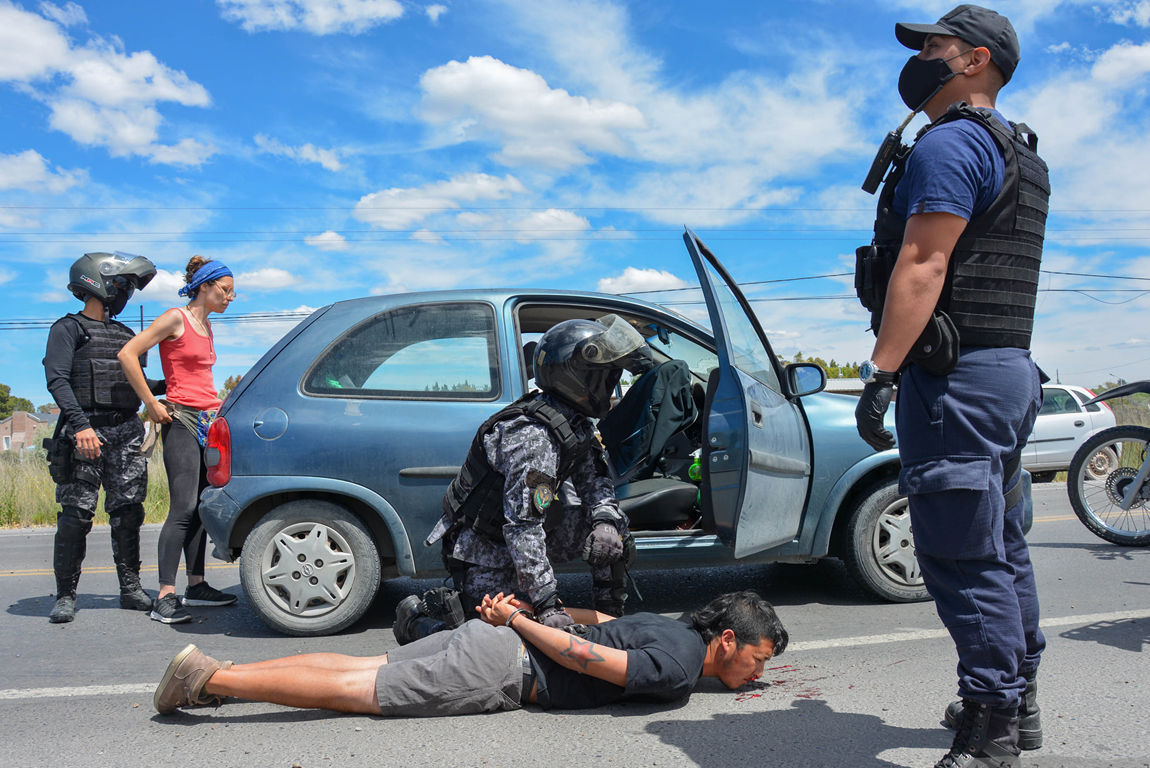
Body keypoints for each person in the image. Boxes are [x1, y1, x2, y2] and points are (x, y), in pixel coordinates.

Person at [852, 6, 1050, 768]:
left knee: (963, 560)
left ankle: (992, 747)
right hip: (1006, 370)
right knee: (1001, 546)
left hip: (956, 380)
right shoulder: (1020, 153)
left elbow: (924, 265)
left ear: (974, 60)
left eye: (933, 46)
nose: (921, 57)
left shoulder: (953, 142)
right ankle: (1018, 701)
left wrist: (881, 370)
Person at [153, 589, 787, 717]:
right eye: (756, 660)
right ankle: (215, 683)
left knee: (362, 667)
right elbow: (589, 658)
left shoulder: (670, 627)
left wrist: (523, 617)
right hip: (503, 666)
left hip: (496, 642)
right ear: (725, 640)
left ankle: (215, 674)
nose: (756, 673)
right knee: (362, 693)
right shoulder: (678, 667)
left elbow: (600, 621)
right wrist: (521, 619)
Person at [422, 315, 653, 629]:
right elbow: (522, 529)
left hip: (527, 537)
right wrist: (547, 605)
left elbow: (595, 481)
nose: (611, 389)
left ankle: (610, 620)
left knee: (613, 528)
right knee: (512, 639)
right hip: (487, 553)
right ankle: (420, 621)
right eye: (606, 381)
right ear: (577, 378)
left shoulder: (573, 423)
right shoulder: (534, 437)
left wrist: (604, 520)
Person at [119, 257, 238, 625]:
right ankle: (164, 597)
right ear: (204, 286)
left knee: (201, 506)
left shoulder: (206, 326)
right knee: (183, 508)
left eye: (233, 292)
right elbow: (127, 354)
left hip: (207, 421)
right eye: (225, 290)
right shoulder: (176, 318)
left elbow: (201, 380)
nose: (230, 297)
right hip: (181, 420)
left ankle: (197, 585)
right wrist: (150, 403)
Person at [42, 252, 161, 623]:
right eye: (123, 284)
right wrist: (80, 426)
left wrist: (177, 386)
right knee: (76, 515)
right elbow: (57, 380)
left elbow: (138, 383)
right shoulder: (68, 328)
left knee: (128, 512)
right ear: (99, 282)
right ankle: (65, 595)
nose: (126, 291)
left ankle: (130, 588)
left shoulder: (126, 335)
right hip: (85, 431)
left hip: (126, 429)